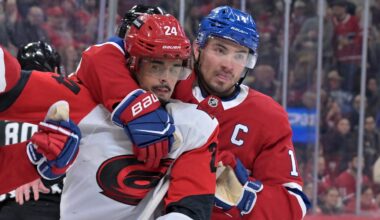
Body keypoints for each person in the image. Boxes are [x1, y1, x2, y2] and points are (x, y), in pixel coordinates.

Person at [72, 5, 311, 219]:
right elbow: (100, 57)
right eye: (220, 49)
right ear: (198, 49)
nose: (229, 64)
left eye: (240, 55)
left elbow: (293, 205)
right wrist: (135, 105)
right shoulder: (168, 82)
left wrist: (242, 197)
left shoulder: (267, 116)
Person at [0, 13, 219, 220]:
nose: (166, 79)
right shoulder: (82, 101)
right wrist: (28, 159)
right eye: (156, 66)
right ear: (132, 63)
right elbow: (13, 87)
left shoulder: (195, 124)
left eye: (174, 69)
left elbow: (190, 209)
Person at [0, 41, 64, 220]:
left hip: (8, 202)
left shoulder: (5, 109)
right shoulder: (69, 109)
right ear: (57, 72)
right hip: (55, 202)